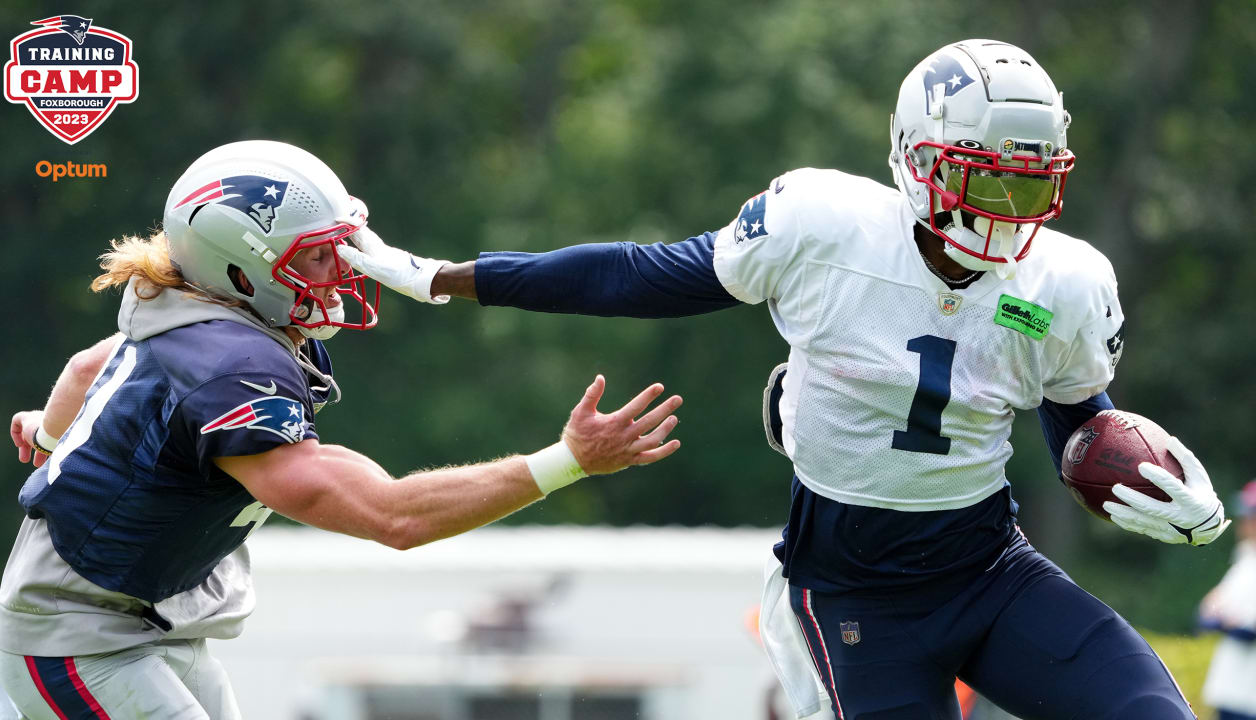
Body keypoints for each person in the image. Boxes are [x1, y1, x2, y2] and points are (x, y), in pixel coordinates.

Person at [338, 39, 1232, 719]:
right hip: (849, 589)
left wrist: (1119, 469)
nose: (1007, 216)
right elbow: (640, 275)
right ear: (918, 162)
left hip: (987, 564)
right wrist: (453, 276)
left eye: (1027, 190)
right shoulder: (823, 227)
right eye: (985, 183)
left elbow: (1076, 416)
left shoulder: (1065, 282)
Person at [0, 140, 683, 719]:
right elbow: (393, 517)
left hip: (142, 621)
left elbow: (87, 367)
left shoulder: (193, 310)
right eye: (318, 254)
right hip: (74, 636)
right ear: (239, 264)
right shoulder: (230, 365)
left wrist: (50, 439)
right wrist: (570, 461)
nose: (341, 269)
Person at [1198, 481, 1256, 720]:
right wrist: (1224, 620)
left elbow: (1247, 630)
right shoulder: (1245, 559)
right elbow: (1204, 614)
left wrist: (1222, 619)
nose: (1244, 523)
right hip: (1231, 691)